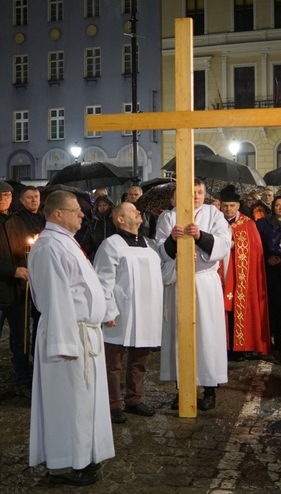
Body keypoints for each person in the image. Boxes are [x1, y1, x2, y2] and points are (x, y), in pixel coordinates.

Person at [28, 191, 114, 486]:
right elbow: (56, 299)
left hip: (82, 334)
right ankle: (64, 464)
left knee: (81, 400)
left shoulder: (65, 242)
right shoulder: (50, 246)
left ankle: (81, 455)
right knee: (66, 401)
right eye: (76, 210)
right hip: (66, 335)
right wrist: (64, 343)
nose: (82, 214)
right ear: (57, 215)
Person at [156, 178, 230, 411]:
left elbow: (224, 243)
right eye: (192, 191)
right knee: (180, 334)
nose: (196, 196)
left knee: (207, 336)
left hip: (204, 283)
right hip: (178, 280)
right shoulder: (168, 217)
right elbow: (159, 250)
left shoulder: (213, 214)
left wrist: (201, 237)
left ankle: (209, 389)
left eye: (200, 192)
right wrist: (172, 241)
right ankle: (183, 389)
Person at [94, 202, 163, 424]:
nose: (138, 212)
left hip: (146, 310)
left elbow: (161, 274)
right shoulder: (111, 245)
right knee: (113, 362)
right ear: (120, 219)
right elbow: (103, 280)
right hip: (121, 311)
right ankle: (113, 404)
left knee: (139, 360)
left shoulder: (149, 244)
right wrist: (108, 310)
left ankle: (134, 399)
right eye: (132, 211)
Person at [219, 185, 271, 361]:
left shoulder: (248, 224)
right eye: (225, 205)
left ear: (238, 206)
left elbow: (256, 250)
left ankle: (240, 347)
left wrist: (235, 245)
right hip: (221, 272)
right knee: (220, 308)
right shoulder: (215, 222)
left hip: (241, 275)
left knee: (238, 308)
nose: (228, 209)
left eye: (232, 206)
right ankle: (223, 345)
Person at [0, 180, 32, 398]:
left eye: (7, 195)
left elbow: (25, 249)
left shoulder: (17, 221)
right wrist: (13, 270)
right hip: (2, 287)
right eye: (0, 195)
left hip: (18, 292)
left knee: (21, 338)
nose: (3, 199)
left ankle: (23, 379)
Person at [11, 186, 46, 357]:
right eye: (30, 197)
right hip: (23, 270)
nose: (34, 200)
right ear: (22, 200)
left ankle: (37, 354)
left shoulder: (43, 218)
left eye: (36, 197)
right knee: (22, 321)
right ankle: (21, 359)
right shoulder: (16, 220)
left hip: (41, 271)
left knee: (39, 315)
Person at [256, 196, 281, 350]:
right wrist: (267, 257)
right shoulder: (263, 223)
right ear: (272, 206)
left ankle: (278, 337)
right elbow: (257, 243)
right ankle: (267, 338)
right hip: (267, 267)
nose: (280, 208)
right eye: (277, 205)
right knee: (269, 303)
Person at [80, 195, 117, 261]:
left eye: (104, 205)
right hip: (98, 257)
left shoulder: (115, 220)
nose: (102, 207)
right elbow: (87, 243)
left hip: (115, 255)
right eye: (99, 205)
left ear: (109, 205)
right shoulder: (93, 223)